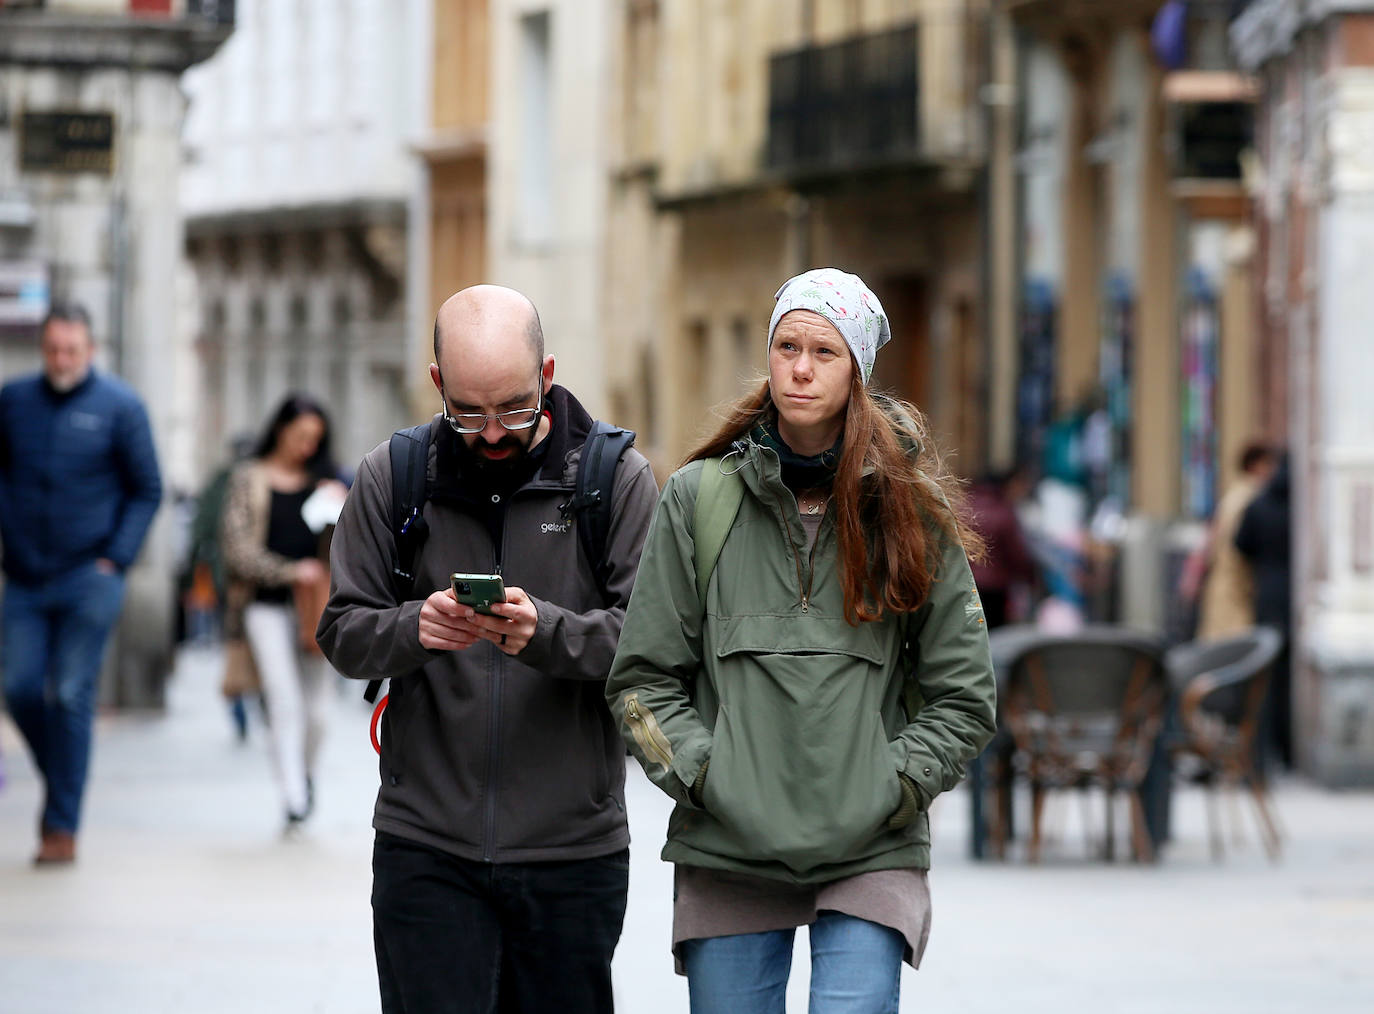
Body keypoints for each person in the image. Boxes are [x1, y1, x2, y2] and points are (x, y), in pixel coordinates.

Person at [605, 268, 998, 1013]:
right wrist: (710, 777)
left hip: (871, 846)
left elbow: (964, 697)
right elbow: (641, 682)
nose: (801, 367)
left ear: (858, 370)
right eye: (787, 346)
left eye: (825, 351)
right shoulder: (698, 498)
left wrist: (891, 786)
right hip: (728, 846)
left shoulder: (909, 511)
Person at [316, 284, 659, 1014]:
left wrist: (549, 634)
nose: (495, 431)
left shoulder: (613, 481)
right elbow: (342, 630)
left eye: (514, 406)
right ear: (437, 383)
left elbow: (656, 643)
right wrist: (414, 628)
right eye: (468, 411)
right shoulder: (395, 476)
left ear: (548, 374)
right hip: (426, 842)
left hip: (572, 845)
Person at [0, 303, 162, 866]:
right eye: (53, 350)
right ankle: (62, 779)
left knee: (70, 692)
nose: (62, 360)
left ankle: (61, 826)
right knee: (19, 688)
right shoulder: (14, 402)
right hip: (23, 577)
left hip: (89, 576)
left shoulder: (120, 406)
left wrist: (115, 558)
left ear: (90, 351)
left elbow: (147, 488)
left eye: (72, 350)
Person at [220, 394, 344, 831]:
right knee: (283, 699)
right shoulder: (249, 479)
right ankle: (292, 794)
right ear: (280, 430)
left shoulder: (326, 481)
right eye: (300, 435)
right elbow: (236, 551)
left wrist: (341, 507)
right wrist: (291, 571)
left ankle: (304, 776)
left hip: (317, 609)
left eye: (316, 439)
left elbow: (349, 549)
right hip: (265, 607)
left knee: (320, 712)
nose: (308, 446)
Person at [1180, 441, 1276, 641]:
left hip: (1225, 587)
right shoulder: (1249, 498)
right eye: (1268, 464)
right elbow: (1237, 548)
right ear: (1256, 465)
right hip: (1235, 589)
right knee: (1234, 652)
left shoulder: (1235, 495)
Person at [1234, 453, 1293, 769]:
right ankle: (1288, 749)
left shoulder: (1258, 504)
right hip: (1294, 592)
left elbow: (1241, 544)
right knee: (1286, 677)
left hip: (1267, 590)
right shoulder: (1300, 507)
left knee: (1264, 676)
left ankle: (1263, 751)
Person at [967, 466, 1038, 628]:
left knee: (970, 630)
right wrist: (1030, 577)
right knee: (991, 634)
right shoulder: (1004, 511)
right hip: (994, 589)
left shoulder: (962, 506)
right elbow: (1017, 554)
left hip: (966, 582)